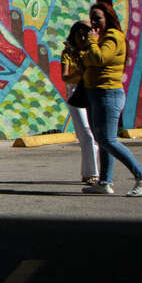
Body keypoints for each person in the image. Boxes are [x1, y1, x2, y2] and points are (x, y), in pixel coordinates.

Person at [80, 1, 142, 197]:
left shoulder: (113, 37)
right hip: (96, 93)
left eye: (97, 18)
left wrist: (91, 43)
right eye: (92, 18)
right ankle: (104, 182)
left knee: (108, 139)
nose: (94, 22)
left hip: (108, 94)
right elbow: (88, 60)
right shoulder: (102, 38)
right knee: (103, 139)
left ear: (108, 18)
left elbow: (98, 59)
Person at [59, 21, 98, 185]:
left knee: (92, 135)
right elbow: (65, 77)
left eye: (85, 34)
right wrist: (81, 74)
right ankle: (93, 174)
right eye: (78, 34)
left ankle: (88, 172)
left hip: (94, 91)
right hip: (75, 93)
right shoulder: (68, 53)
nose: (82, 37)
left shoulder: (94, 50)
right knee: (86, 133)